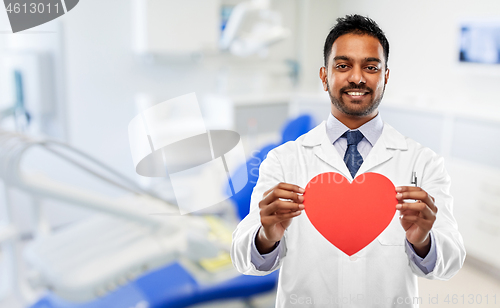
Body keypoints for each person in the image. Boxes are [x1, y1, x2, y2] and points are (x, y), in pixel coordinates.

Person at [231, 14, 466, 307]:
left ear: (386, 76)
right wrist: (266, 236)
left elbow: (451, 260)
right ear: (324, 76)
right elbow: (243, 257)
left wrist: (423, 242)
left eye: (371, 67)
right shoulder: (283, 160)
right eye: (343, 66)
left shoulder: (423, 162)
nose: (357, 77)